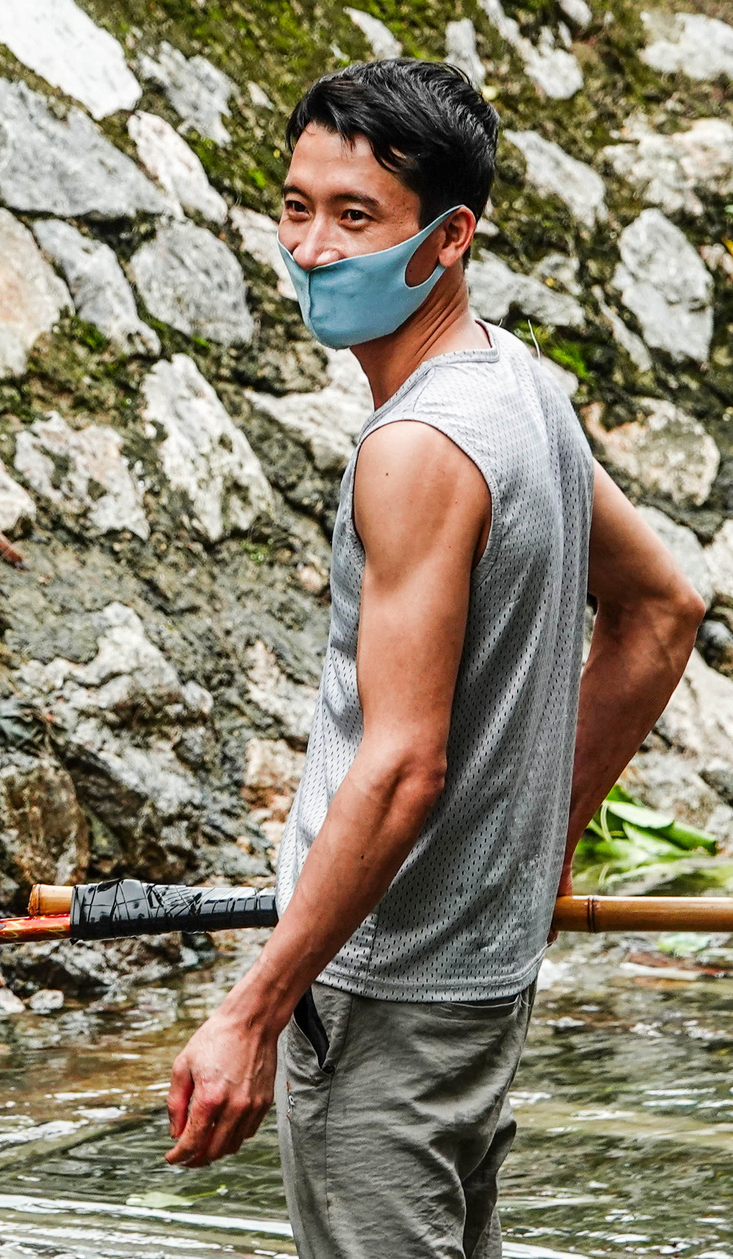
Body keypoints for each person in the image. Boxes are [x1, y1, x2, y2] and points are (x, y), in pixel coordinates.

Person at [158, 60, 705, 1257]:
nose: (309, 248)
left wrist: (252, 1010)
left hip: (383, 989)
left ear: (448, 236)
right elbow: (661, 609)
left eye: (354, 216)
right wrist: (540, 848)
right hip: (477, 979)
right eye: (295, 205)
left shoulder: (414, 446)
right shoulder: (520, 387)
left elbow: (402, 764)